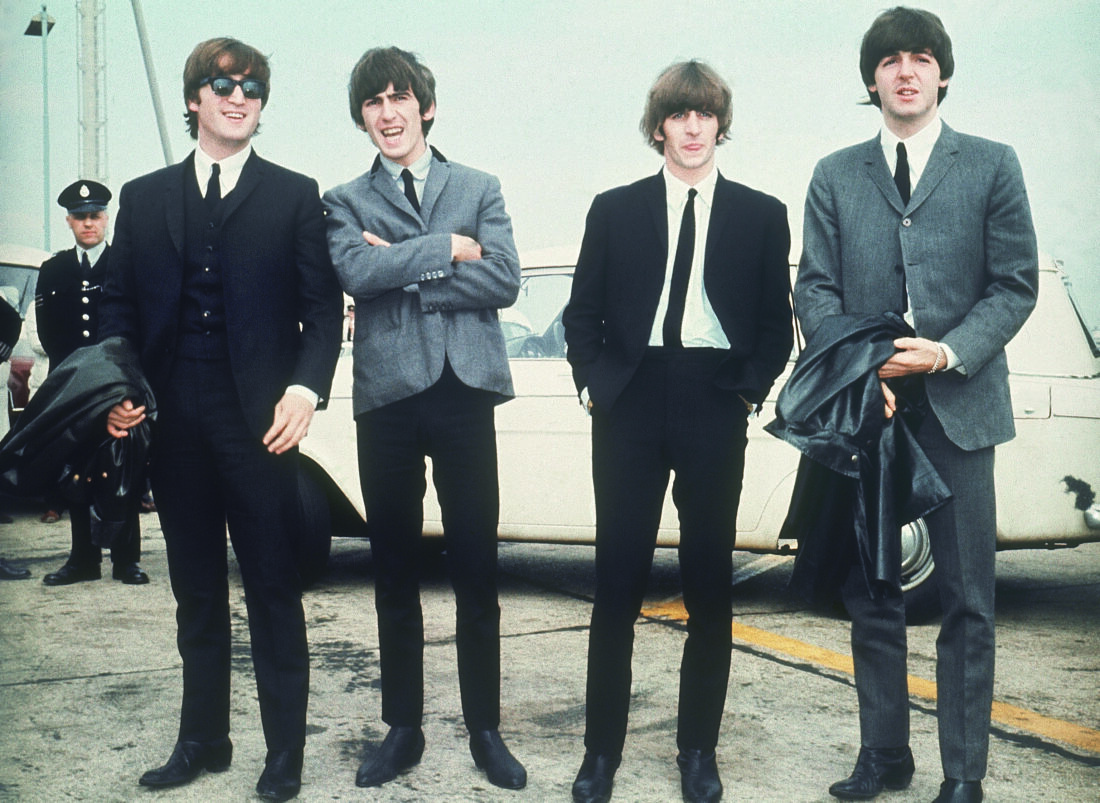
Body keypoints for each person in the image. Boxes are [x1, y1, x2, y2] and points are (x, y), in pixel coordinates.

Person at [796, 8, 1038, 803]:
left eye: (922, 58)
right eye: (890, 60)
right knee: (873, 591)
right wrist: (860, 370)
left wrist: (945, 351)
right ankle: (885, 754)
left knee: (968, 596)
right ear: (872, 80)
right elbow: (815, 288)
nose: (906, 71)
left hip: (961, 407)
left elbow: (1014, 285)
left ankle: (963, 772)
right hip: (872, 411)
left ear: (942, 73)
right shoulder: (835, 174)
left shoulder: (992, 165)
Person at [99, 37, 343, 802]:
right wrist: (121, 388)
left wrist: (305, 390)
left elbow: (322, 311)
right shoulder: (143, 198)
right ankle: (202, 739)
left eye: (253, 88)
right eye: (223, 84)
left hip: (259, 426)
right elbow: (116, 306)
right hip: (173, 423)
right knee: (196, 590)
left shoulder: (294, 195)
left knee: (272, 584)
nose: (239, 97)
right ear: (194, 98)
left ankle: (284, 753)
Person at [562, 60, 793, 803]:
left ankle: (698, 750)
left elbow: (775, 327)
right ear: (658, 126)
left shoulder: (761, 214)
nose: (692, 128)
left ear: (720, 125)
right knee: (617, 582)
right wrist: (596, 388)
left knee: (709, 585)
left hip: (713, 397)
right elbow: (581, 315)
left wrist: (745, 394)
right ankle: (601, 753)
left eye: (705, 115)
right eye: (678, 114)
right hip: (629, 400)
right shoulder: (614, 209)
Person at [323, 46, 526, 792]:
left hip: (464, 392)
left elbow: (504, 279)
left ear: (426, 107)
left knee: (476, 567)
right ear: (363, 118)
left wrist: (405, 266)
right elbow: (356, 272)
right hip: (387, 398)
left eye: (399, 98)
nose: (388, 113)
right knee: (394, 570)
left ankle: (485, 729)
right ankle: (402, 728)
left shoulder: (479, 185)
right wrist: (444, 249)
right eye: (373, 102)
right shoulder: (343, 200)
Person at [36, 180, 147, 586]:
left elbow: (139, 328)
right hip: (73, 389)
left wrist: (122, 385)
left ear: (107, 218)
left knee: (123, 468)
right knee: (77, 472)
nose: (88, 223)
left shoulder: (127, 264)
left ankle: (126, 560)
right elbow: (49, 334)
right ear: (69, 221)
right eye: (80, 217)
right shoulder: (53, 270)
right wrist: (76, 384)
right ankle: (83, 559)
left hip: (119, 386)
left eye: (95, 216)